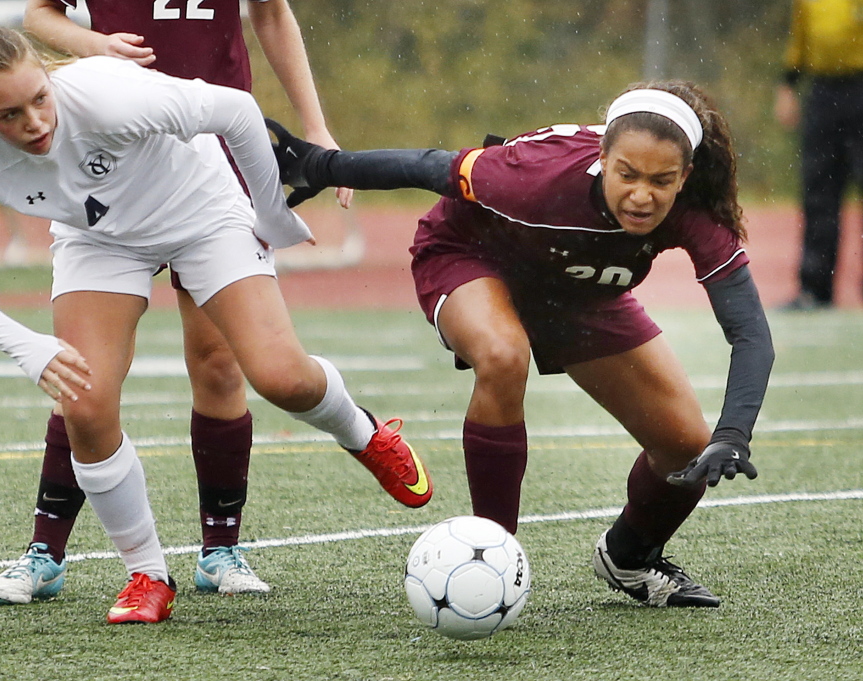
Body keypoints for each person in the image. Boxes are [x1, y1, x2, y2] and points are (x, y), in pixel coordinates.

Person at [0, 26, 431, 623]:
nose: (36, 122)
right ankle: (146, 573)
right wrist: (27, 348)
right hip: (100, 240)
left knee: (281, 378)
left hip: (202, 213)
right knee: (83, 404)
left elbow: (238, 111)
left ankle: (363, 432)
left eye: (40, 98)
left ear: (47, 77)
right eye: (11, 114)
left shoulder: (107, 95)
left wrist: (269, 215)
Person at [266, 79, 774, 607]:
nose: (642, 195)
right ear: (602, 157)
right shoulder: (534, 175)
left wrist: (732, 433)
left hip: (582, 290)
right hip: (474, 255)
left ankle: (631, 557)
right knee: (505, 355)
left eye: (661, 180)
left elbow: (751, 333)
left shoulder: (697, 211)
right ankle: (493, 554)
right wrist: (318, 166)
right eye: (627, 174)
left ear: (686, 176)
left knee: (686, 447)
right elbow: (425, 166)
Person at [0, 0, 355, 605]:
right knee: (84, 376)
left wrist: (315, 125)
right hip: (103, 157)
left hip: (211, 155)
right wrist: (91, 44)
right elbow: (39, 15)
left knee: (218, 361)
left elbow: (272, 14)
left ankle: (221, 548)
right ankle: (45, 551)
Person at [774, 0, 863, 310]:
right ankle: (815, 288)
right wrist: (788, 84)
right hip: (823, 93)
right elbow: (800, 40)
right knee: (818, 191)